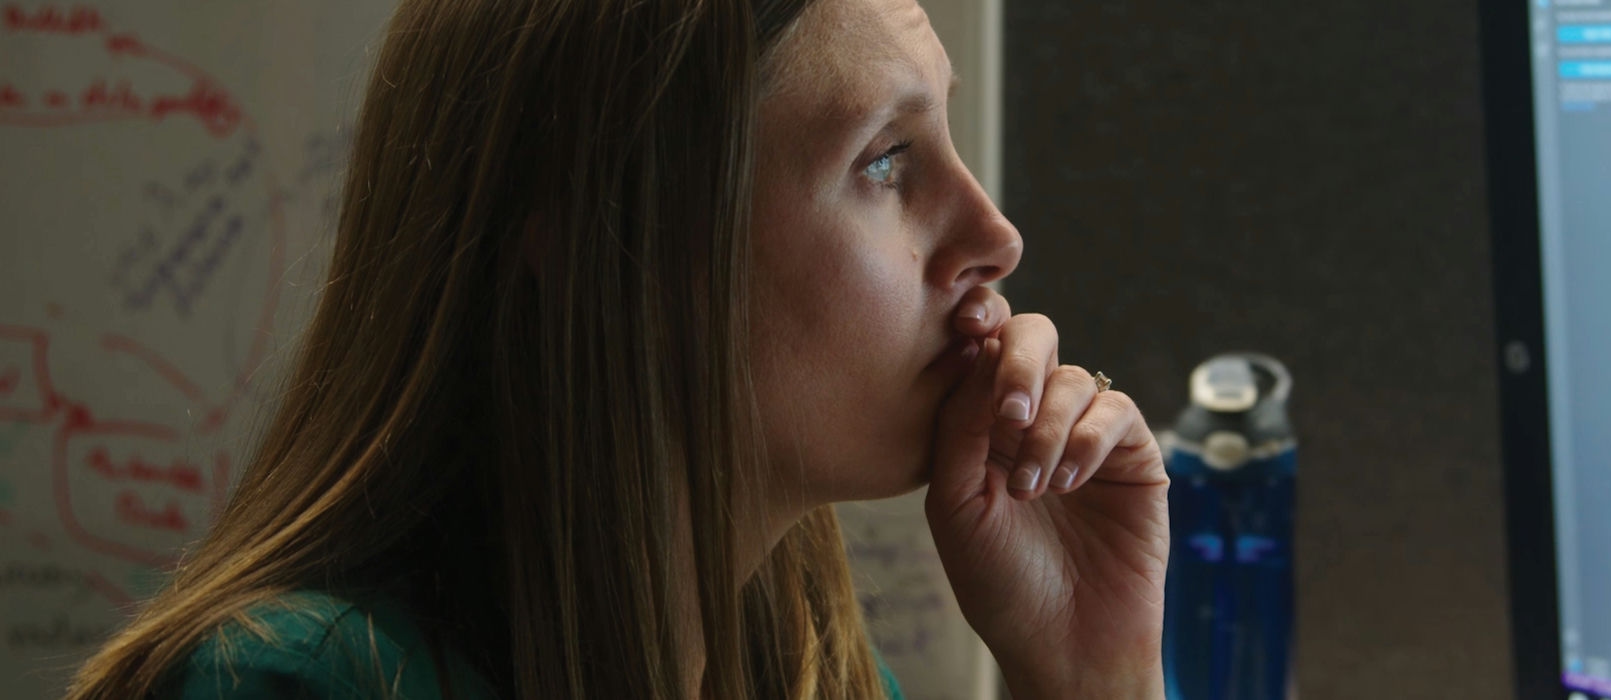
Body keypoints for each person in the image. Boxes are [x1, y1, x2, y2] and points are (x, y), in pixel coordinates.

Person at [63, 0, 1170, 697]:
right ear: (616, 243)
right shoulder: (292, 685)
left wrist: (1092, 674)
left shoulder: (803, 668)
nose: (995, 234)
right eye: (884, 159)